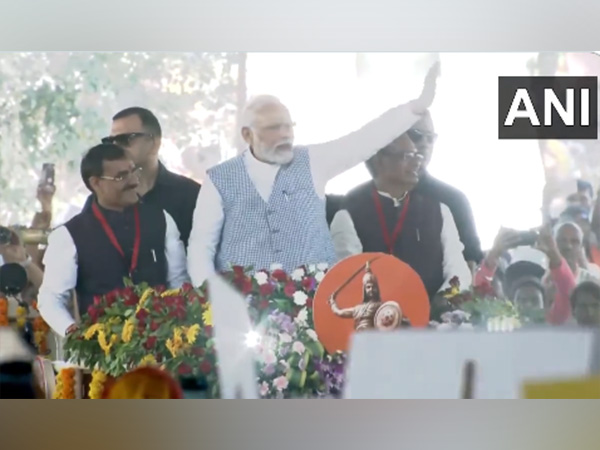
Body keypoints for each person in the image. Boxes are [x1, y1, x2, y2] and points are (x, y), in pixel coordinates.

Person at [187, 62, 441, 285]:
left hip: (315, 310)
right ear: (247, 135)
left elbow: (364, 140)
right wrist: (215, 303)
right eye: (275, 128)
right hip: (245, 316)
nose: (286, 134)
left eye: (289, 126)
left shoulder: (314, 161)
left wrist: (417, 107)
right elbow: (201, 249)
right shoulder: (219, 179)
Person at [38, 144, 189, 337]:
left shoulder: (161, 219)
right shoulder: (69, 234)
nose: (133, 181)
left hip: (161, 343)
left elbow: (179, 281)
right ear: (96, 183)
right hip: (103, 350)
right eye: (121, 176)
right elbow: (51, 298)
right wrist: (75, 333)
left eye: (134, 171)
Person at [330, 133, 472, 302]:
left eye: (417, 156)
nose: (416, 162)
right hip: (374, 321)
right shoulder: (349, 215)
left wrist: (442, 302)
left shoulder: (439, 211)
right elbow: (348, 278)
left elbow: (458, 271)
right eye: (407, 156)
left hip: (436, 320)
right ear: (379, 160)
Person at [84, 107, 201, 248]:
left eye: (125, 139)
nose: (116, 148)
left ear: (154, 143)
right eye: (110, 142)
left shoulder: (190, 195)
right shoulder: (99, 199)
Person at [408, 110, 484, 267]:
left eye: (430, 138)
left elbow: (470, 262)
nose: (424, 144)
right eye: (416, 135)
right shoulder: (362, 201)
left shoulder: (453, 200)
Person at [327, 262, 408, 331]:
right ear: (364, 289)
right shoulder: (358, 309)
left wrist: (403, 320)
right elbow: (339, 312)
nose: (371, 289)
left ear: (377, 289)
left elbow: (396, 315)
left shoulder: (381, 307)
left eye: (373, 287)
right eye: (368, 287)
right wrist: (332, 302)